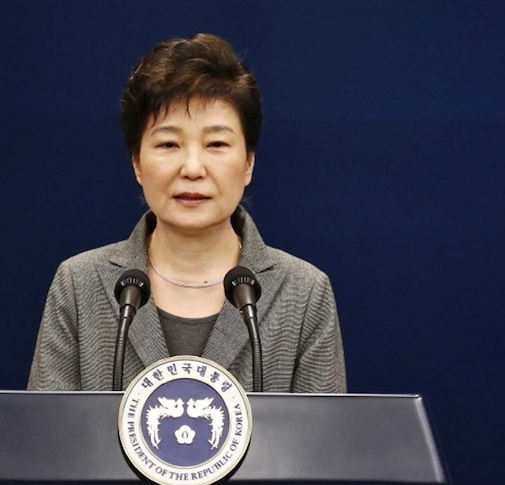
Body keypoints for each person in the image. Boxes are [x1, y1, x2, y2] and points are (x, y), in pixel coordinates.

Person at [28, 33, 345, 393]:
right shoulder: (79, 284)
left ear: (248, 163)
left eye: (216, 144)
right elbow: (46, 440)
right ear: (137, 163)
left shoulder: (303, 292)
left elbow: (324, 445)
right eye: (168, 144)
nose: (192, 168)